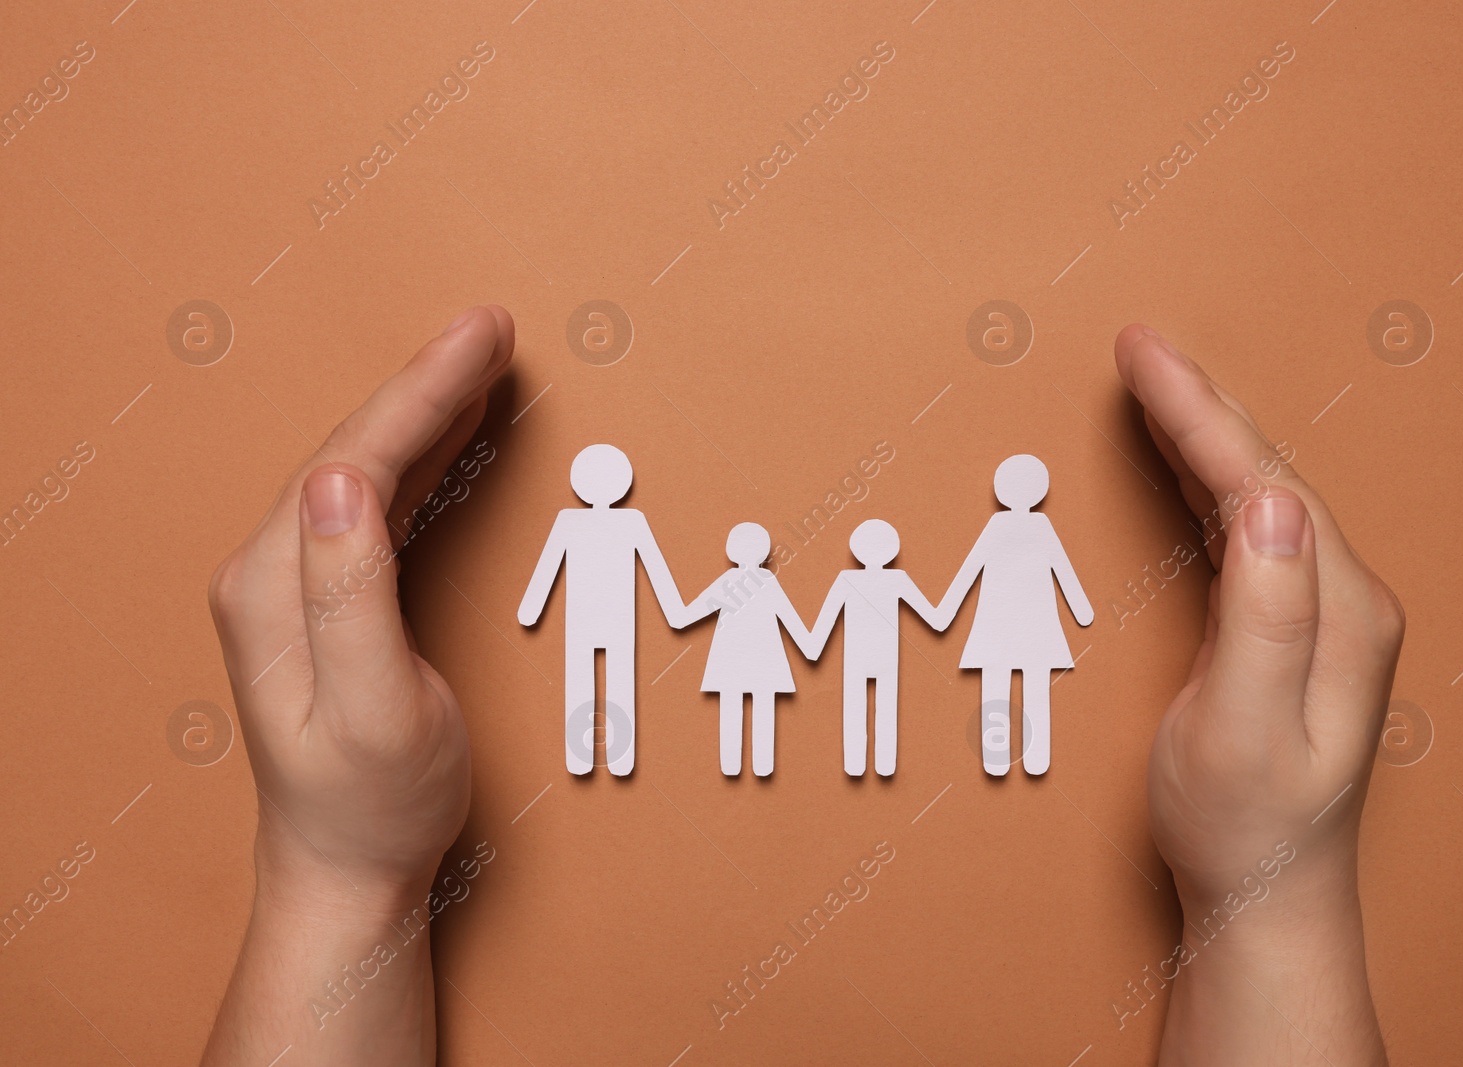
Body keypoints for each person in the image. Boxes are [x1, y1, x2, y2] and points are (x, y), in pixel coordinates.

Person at [200, 309, 1400, 1067]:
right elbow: (677, 587)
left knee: (983, 703)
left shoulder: (993, 547)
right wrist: (1270, 896)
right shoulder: (622, 543)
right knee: (635, 695)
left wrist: (340, 874)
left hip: (914, 647)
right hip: (754, 654)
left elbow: (882, 592)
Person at [517, 443, 691, 776]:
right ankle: (615, 760)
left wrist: (531, 609)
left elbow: (548, 567)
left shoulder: (575, 521)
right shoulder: (625, 521)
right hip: (615, 622)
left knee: (585, 683)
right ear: (623, 483)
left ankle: (585, 759)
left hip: (592, 622)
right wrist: (674, 610)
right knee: (617, 683)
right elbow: (551, 564)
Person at [935, 453, 1094, 776]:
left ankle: (1000, 758)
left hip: (999, 625)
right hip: (1034, 627)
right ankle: (1032, 760)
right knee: (1034, 687)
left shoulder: (1004, 525)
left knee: (997, 683)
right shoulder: (1036, 525)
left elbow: (971, 569)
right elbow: (1061, 568)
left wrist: (946, 609)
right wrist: (1080, 609)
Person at [806, 519, 942, 777]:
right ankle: (883, 765)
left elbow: (823, 625)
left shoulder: (848, 579)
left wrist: (809, 645)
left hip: (859, 658)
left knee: (856, 708)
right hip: (884, 657)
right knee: (885, 709)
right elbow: (934, 617)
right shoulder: (895, 579)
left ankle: (857, 765)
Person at [680, 522, 813, 777]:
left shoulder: (731, 580)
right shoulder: (766, 580)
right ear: (763, 552)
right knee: (762, 706)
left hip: (731, 659)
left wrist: (672, 607)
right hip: (765, 660)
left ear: (732, 550)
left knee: (732, 705)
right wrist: (810, 644)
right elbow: (790, 619)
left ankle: (732, 765)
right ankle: (762, 766)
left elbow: (691, 614)